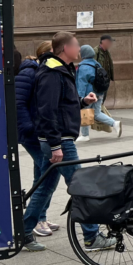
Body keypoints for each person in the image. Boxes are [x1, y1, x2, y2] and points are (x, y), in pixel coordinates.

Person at [22, 31, 103, 252]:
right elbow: (46, 111)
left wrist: (82, 101)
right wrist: (56, 145)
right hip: (60, 140)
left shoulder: (60, 69)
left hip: (59, 138)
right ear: (65, 49)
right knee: (78, 185)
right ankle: (91, 236)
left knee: (45, 187)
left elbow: (61, 104)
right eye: (76, 45)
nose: (79, 49)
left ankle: (24, 232)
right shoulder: (51, 72)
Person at [15, 41, 58, 238]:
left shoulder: (42, 72)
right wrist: (30, 128)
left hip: (39, 132)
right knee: (48, 172)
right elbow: (18, 102)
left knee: (41, 174)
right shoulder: (29, 72)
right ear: (45, 54)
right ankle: (37, 219)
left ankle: (41, 216)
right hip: (32, 134)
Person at [77, 44, 121, 141]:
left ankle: (85, 135)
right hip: (99, 92)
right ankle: (114, 123)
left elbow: (82, 83)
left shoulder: (83, 66)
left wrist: (80, 97)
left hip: (89, 94)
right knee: (96, 113)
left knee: (85, 111)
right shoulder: (96, 64)